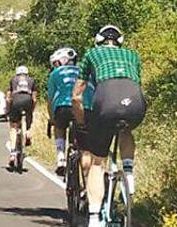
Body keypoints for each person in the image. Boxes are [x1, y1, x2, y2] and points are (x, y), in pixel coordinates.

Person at [72, 24, 146, 227]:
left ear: (98, 41)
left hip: (106, 101)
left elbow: (77, 96)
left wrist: (81, 122)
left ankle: (94, 217)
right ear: (119, 42)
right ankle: (128, 173)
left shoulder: (91, 54)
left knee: (98, 162)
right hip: (135, 102)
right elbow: (134, 82)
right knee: (126, 127)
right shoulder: (133, 55)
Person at [45, 47, 84, 175]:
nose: (55, 66)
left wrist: (51, 118)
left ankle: (61, 155)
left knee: (59, 127)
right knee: (79, 134)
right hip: (78, 107)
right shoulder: (81, 70)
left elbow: (50, 98)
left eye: (56, 63)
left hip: (61, 106)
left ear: (63, 60)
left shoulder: (55, 74)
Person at [6, 65, 36, 166]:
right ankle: (27, 133)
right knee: (28, 119)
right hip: (28, 100)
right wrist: (32, 109)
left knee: (13, 126)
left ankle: (13, 152)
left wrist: (7, 109)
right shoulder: (31, 80)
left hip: (16, 101)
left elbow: (8, 97)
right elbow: (34, 98)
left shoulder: (13, 80)